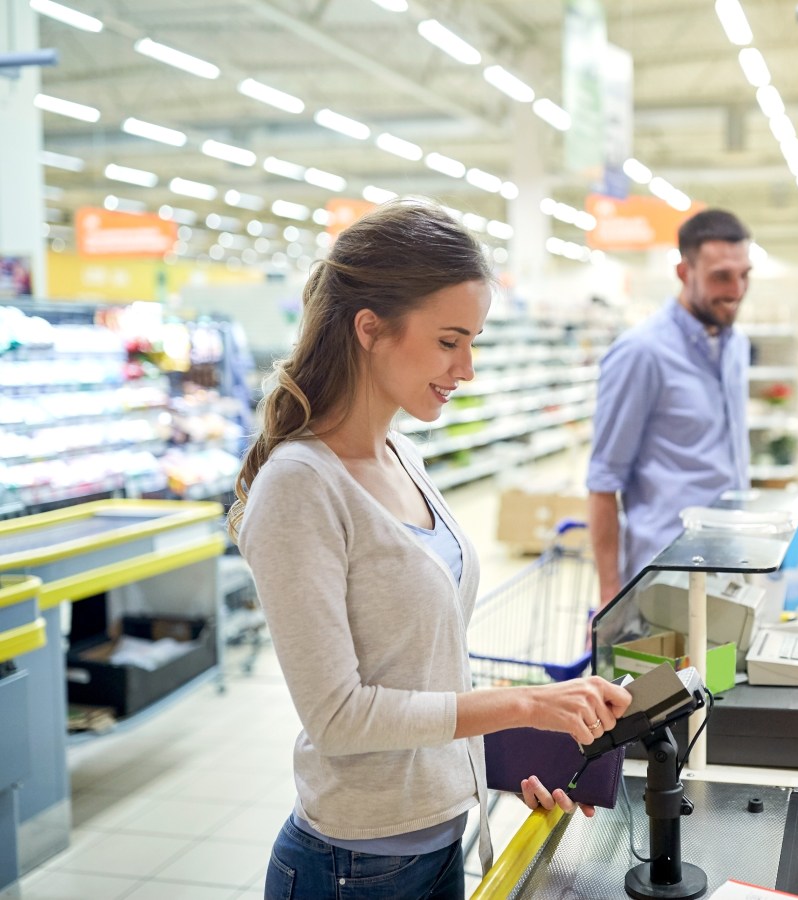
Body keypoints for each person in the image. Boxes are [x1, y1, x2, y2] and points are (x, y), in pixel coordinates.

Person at [229, 200, 632, 900]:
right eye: (450, 341)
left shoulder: (400, 453)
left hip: (442, 840)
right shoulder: (300, 487)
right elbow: (339, 717)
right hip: (353, 868)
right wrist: (527, 706)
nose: (466, 368)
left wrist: (511, 763)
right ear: (370, 329)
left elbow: (423, 670)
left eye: (471, 341)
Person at [587, 209, 753, 602]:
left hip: (729, 563)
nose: (737, 290)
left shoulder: (736, 346)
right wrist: (610, 597)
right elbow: (602, 483)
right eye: (721, 277)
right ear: (684, 272)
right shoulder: (641, 353)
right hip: (664, 578)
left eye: (745, 274)